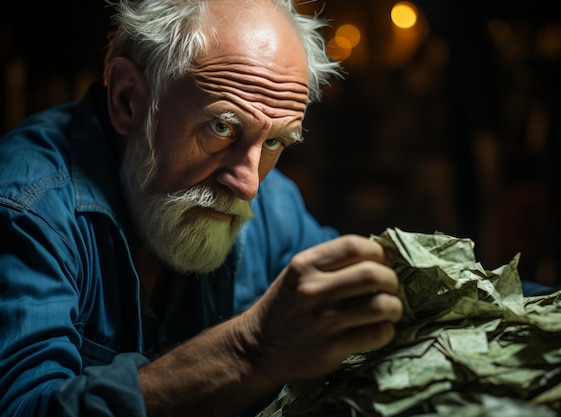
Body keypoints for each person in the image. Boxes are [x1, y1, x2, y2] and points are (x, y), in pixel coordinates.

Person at [0, 1, 404, 416]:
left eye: (273, 143)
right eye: (222, 127)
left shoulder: (275, 204)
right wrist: (250, 348)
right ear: (127, 99)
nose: (248, 186)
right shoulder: (27, 208)